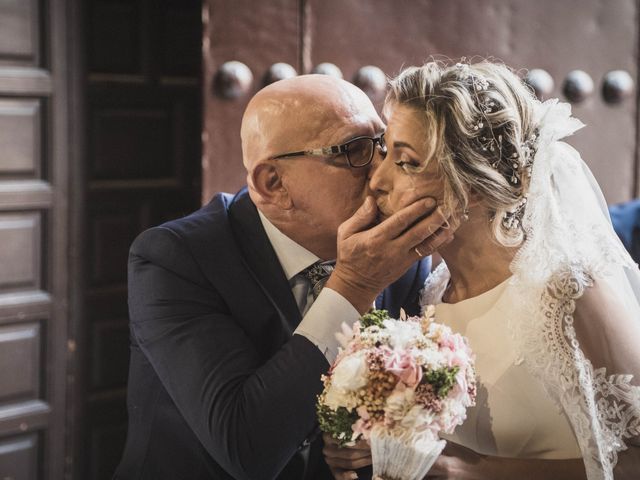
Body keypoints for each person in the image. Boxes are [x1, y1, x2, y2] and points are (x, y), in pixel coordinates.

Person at [113, 74, 456, 480]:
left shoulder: (399, 253)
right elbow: (246, 449)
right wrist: (353, 285)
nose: (381, 170)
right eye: (355, 150)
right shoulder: (176, 259)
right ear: (273, 184)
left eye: (382, 143)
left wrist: (378, 439)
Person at [326, 61, 640, 479]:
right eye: (385, 151)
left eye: (407, 162)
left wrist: (468, 472)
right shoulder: (432, 294)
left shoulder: (569, 290)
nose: (376, 180)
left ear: (471, 183)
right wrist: (370, 436)